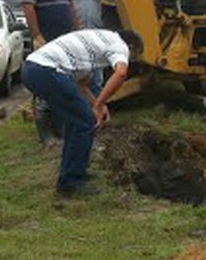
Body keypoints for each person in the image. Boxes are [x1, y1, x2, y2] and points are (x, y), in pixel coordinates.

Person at [20, 29, 143, 197]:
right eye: (133, 56)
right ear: (131, 46)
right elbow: (121, 73)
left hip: (32, 70)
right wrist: (99, 105)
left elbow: (81, 84)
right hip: (46, 70)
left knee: (76, 120)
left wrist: (97, 104)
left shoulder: (96, 43)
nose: (130, 59)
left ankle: (74, 171)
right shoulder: (119, 44)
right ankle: (71, 183)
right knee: (86, 121)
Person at [22, 0, 78, 143]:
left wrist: (76, 32)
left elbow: (69, 6)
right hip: (46, 40)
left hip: (64, 40)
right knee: (45, 87)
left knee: (63, 85)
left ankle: (60, 128)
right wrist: (37, 36)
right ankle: (45, 134)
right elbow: (29, 7)